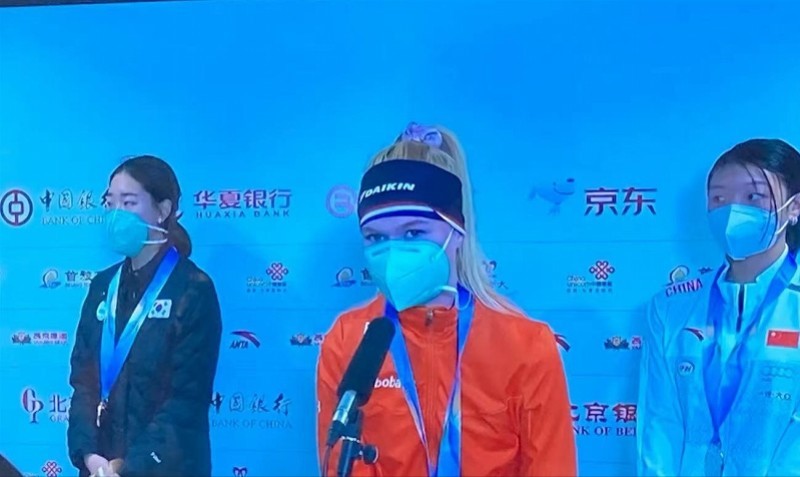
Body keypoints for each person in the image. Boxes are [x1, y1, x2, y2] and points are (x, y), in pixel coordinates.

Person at [316, 123, 577, 476]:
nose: (393, 254)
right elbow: (338, 465)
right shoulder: (348, 340)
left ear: (457, 231)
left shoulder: (525, 345)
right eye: (375, 238)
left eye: (413, 232)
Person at [637, 138, 800, 476]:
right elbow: (660, 423)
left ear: (794, 207)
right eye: (719, 199)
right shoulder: (672, 309)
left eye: (753, 197)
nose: (732, 212)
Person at [67, 155, 222, 477]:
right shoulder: (102, 287)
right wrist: (89, 455)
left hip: (165, 467)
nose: (116, 214)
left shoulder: (192, 290)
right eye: (111, 202)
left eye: (129, 202)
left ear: (163, 210)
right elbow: (83, 381)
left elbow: (185, 402)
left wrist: (127, 467)